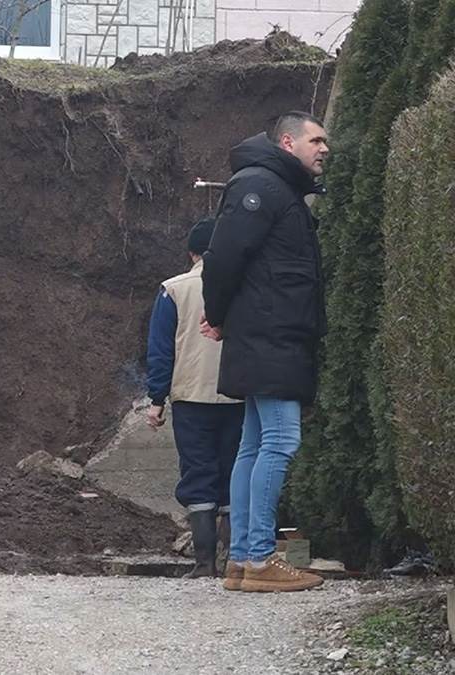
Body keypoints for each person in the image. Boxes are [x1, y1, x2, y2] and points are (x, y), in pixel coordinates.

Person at [200, 111, 329, 593]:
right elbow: (224, 256)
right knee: (280, 441)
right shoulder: (262, 186)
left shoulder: (277, 188)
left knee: (253, 445)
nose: (324, 149)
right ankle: (257, 557)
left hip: (269, 334)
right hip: (271, 336)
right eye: (316, 140)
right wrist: (216, 315)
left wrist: (224, 317)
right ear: (288, 142)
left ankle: (240, 561)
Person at [145, 217, 244, 578]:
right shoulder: (243, 285)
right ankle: (238, 560)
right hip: (238, 394)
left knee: (198, 473)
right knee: (235, 472)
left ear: (192, 254)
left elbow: (160, 351)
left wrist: (157, 399)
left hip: (190, 396)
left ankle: (204, 564)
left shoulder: (173, 289)